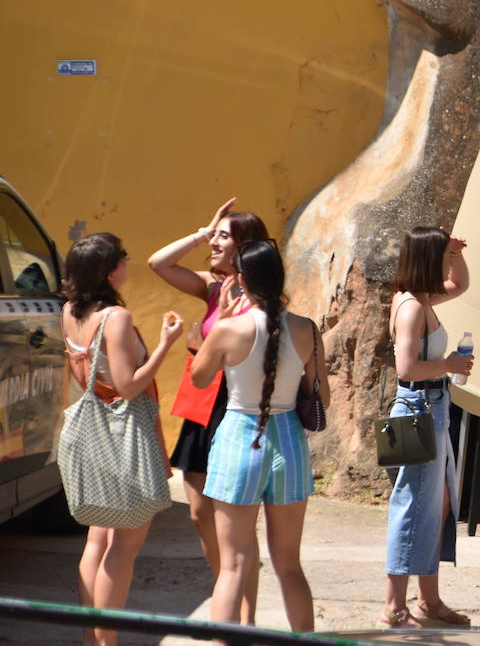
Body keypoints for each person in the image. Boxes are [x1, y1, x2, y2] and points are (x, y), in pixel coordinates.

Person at [191, 240, 331, 632]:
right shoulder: (306, 329)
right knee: (289, 564)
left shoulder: (228, 328)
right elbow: (324, 396)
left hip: (239, 438)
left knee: (233, 566)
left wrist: (222, 318)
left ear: (240, 280)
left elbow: (200, 379)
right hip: (288, 439)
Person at [146, 198, 268, 623]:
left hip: (237, 404)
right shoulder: (213, 287)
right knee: (199, 513)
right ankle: (227, 596)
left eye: (222, 236)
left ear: (244, 245)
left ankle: (244, 617)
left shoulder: (261, 295)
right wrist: (203, 230)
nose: (213, 242)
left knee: (232, 521)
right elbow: (157, 263)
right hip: (203, 402)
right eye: (213, 236)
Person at [62, 233, 182, 646]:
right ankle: (107, 640)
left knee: (98, 538)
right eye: (123, 260)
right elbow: (129, 386)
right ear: (110, 270)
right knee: (124, 545)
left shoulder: (69, 312)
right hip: (124, 434)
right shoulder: (115, 317)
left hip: (94, 434)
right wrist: (164, 346)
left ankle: (91, 638)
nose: (128, 266)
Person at [375, 227, 472, 627]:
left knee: (436, 503)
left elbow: (460, 283)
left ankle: (427, 600)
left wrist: (457, 251)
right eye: (442, 256)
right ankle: (394, 604)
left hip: (429, 407)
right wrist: (449, 365)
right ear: (426, 259)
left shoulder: (420, 297)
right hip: (418, 407)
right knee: (412, 505)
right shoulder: (413, 306)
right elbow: (407, 368)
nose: (447, 264)